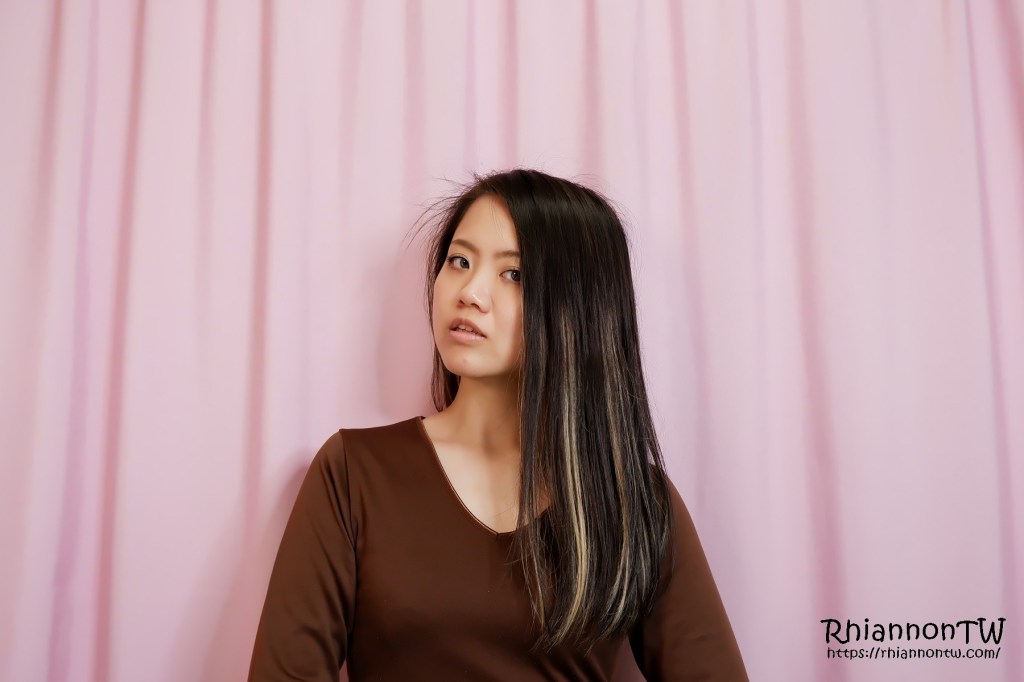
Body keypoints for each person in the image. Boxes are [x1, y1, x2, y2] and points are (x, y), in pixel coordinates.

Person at [247, 168, 748, 680]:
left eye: (515, 274)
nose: (470, 292)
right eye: (459, 261)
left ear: (579, 307)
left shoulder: (632, 499)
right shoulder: (354, 475)